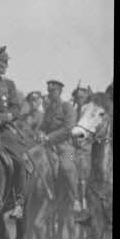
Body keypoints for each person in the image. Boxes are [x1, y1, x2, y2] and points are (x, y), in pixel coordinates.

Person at [0, 46, 28, 219]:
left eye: (5, 62)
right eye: (2, 62)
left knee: (19, 159)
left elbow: (16, 110)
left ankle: (18, 202)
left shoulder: (9, 84)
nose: (5, 66)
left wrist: (1, 118)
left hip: (2, 129)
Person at [39, 79, 82, 216]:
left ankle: (75, 199)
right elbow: (43, 127)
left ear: (59, 91)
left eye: (53, 91)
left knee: (67, 166)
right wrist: (40, 134)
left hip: (67, 147)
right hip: (48, 146)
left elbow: (69, 128)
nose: (51, 94)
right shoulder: (49, 109)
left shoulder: (67, 107)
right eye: (49, 91)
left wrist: (49, 137)